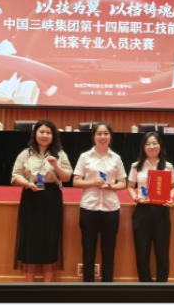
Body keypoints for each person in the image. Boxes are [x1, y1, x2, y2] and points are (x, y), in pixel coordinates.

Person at [11, 119, 73, 282]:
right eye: (41, 132)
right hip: (31, 197)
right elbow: (15, 176)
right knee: (30, 239)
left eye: (48, 132)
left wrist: (56, 166)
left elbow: (67, 177)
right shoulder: (25, 154)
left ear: (53, 135)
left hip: (52, 198)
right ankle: (29, 284)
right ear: (35, 134)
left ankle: (48, 285)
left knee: (50, 239)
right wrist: (28, 183)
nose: (45, 135)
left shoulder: (60, 154)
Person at [73, 122, 127, 282]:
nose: (103, 137)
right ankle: (88, 286)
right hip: (89, 208)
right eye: (99, 134)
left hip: (111, 209)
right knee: (88, 250)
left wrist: (112, 186)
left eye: (106, 134)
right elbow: (76, 181)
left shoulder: (116, 158)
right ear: (94, 136)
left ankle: (107, 286)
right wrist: (92, 183)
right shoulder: (85, 157)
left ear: (110, 136)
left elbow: (123, 183)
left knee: (109, 250)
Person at [127, 132, 174, 283]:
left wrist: (170, 197)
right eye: (148, 144)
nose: (151, 147)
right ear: (143, 147)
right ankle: (146, 287)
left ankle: (161, 288)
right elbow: (130, 186)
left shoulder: (168, 166)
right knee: (142, 253)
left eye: (155, 143)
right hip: (142, 211)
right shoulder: (136, 166)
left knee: (162, 253)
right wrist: (135, 198)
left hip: (161, 211)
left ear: (160, 146)